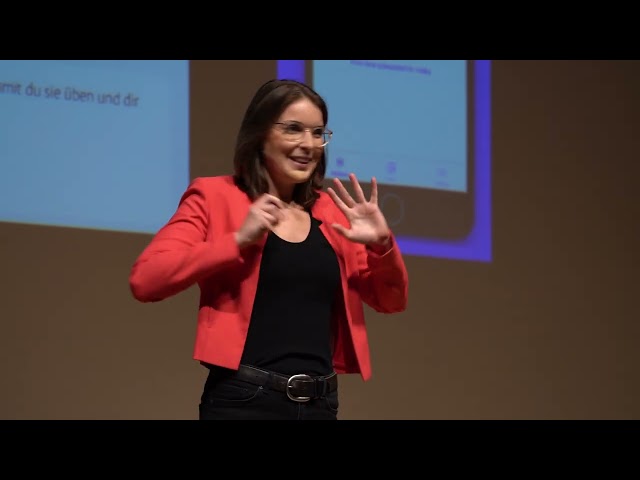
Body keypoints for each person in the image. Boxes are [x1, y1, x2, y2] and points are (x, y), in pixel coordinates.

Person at [129, 78, 409, 420]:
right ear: (260, 134)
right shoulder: (214, 196)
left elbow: (391, 301)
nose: (308, 144)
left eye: (317, 133)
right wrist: (237, 240)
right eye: (293, 129)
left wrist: (382, 245)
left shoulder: (333, 211)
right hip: (245, 401)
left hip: (320, 405)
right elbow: (146, 280)